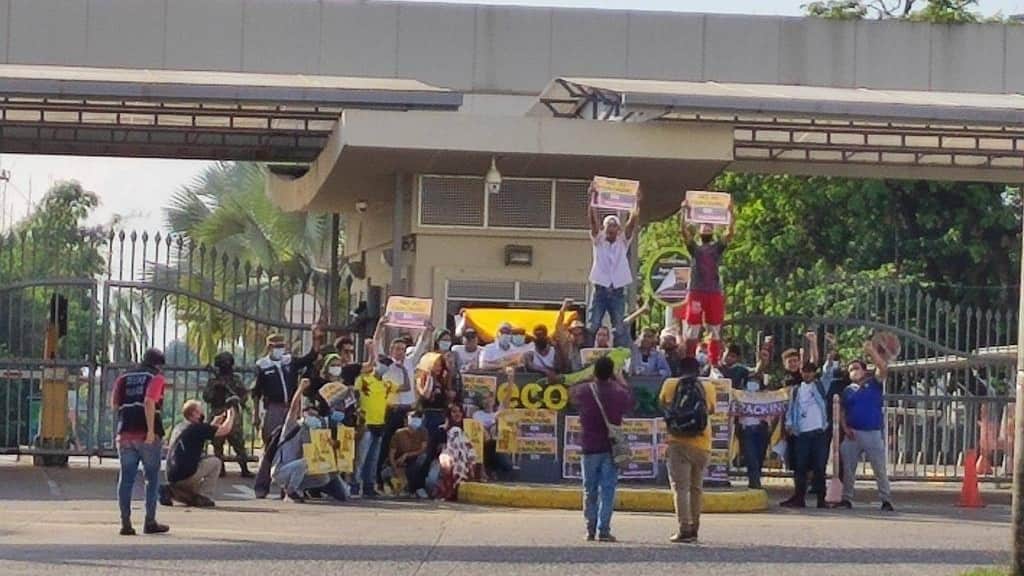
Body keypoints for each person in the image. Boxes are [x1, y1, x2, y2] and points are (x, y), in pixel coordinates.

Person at [252, 327, 322, 499]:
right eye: (276, 346)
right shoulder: (262, 365)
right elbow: (256, 393)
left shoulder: (289, 361)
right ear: (269, 348)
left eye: (282, 346)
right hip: (274, 408)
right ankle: (262, 487)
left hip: (291, 407)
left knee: (293, 444)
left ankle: (288, 488)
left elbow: (310, 357)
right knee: (271, 446)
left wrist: (316, 338)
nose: (280, 349)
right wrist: (255, 414)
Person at [570, 355, 634, 543]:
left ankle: (590, 529)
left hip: (589, 447)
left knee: (589, 489)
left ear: (595, 372)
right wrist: (621, 380)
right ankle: (603, 530)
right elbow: (630, 401)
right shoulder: (619, 393)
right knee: (608, 490)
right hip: (610, 447)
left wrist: (586, 377)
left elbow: (570, 394)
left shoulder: (584, 391)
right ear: (611, 374)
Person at [111, 347, 169, 536]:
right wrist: (151, 430)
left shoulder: (123, 378)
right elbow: (149, 401)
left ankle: (125, 523)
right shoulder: (156, 378)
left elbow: (114, 404)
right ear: (158, 364)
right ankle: (149, 521)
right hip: (147, 435)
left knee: (126, 478)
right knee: (151, 479)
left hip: (126, 433)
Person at [658, 357, 716, 543]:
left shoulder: (670, 384)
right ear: (698, 370)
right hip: (702, 443)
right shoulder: (708, 387)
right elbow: (711, 410)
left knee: (680, 488)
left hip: (678, 442)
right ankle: (695, 528)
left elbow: (663, 405)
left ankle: (684, 528)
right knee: (696, 488)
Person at [374, 316, 431, 490]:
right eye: (397, 348)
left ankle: (408, 482)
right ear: (392, 350)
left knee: (409, 445)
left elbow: (422, 345)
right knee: (386, 445)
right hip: (392, 409)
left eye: (402, 349)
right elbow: (376, 344)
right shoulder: (386, 363)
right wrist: (380, 326)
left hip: (408, 410)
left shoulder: (409, 362)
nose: (400, 351)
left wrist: (427, 329)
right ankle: (379, 478)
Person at [837, 341, 894, 512]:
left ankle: (886, 499)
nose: (853, 372)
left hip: (872, 433)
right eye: (850, 370)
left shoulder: (874, 384)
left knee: (879, 468)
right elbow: (841, 410)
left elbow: (883, 368)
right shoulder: (847, 390)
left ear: (864, 370)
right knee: (848, 469)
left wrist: (871, 352)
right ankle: (846, 498)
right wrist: (845, 428)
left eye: (856, 368)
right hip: (853, 433)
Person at [270, 379, 347, 503]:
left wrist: (332, 447)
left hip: (300, 469)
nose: (312, 414)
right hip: (281, 471)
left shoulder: (316, 432)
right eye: (309, 412)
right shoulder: (293, 425)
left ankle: (298, 489)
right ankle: (291, 491)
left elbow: (323, 456)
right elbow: (293, 408)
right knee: (306, 461)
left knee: (324, 478)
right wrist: (300, 389)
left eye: (315, 412)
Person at [678, 199, 735, 365]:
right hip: (696, 291)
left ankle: (714, 363)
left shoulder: (717, 247)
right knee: (692, 328)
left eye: (710, 226)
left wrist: (731, 212)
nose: (707, 227)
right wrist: (684, 212)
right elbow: (683, 232)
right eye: (704, 225)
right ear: (699, 230)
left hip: (714, 292)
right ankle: (690, 361)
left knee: (715, 329)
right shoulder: (694, 248)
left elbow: (730, 232)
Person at [587, 188, 639, 349]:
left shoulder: (623, 241)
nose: (611, 228)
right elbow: (593, 222)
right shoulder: (599, 240)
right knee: (593, 325)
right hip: (601, 289)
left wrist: (635, 201)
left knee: (620, 327)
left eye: (615, 226)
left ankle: (621, 357)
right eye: (609, 225)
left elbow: (632, 222)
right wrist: (592, 201)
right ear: (604, 228)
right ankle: (587, 352)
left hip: (617, 290)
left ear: (618, 229)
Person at [163, 399, 236, 507]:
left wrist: (216, 422)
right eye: (200, 411)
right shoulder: (197, 428)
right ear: (194, 414)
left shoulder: (179, 427)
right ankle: (204, 496)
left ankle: (172, 491)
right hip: (186, 474)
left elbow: (205, 433)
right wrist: (231, 415)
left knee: (190, 495)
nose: (203, 414)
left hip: (172, 475)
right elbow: (225, 429)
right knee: (215, 462)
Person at [780, 361, 829, 509]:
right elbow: (791, 408)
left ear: (814, 373)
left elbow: (829, 372)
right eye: (805, 371)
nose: (807, 374)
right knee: (800, 467)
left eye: (810, 371)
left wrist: (830, 356)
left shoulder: (820, 387)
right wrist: (789, 424)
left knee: (819, 468)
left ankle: (821, 500)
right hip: (802, 433)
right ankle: (799, 498)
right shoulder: (796, 390)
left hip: (819, 433)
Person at [202, 351, 252, 478]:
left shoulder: (235, 379)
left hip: (232, 411)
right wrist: (216, 388)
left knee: (238, 443)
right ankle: (220, 469)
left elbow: (244, 395)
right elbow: (207, 397)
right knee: (217, 444)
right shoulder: (213, 381)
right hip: (217, 411)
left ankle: (244, 468)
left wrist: (237, 398)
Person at [353, 355, 393, 497]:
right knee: (361, 457)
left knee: (373, 458)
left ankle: (369, 486)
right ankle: (355, 486)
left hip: (379, 424)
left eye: (388, 365)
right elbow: (355, 394)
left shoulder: (387, 384)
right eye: (383, 363)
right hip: (366, 424)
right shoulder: (363, 379)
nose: (384, 367)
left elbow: (406, 387)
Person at [435, 403, 477, 500]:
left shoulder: (467, 428)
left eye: (459, 412)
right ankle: (448, 490)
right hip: (445, 458)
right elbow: (438, 448)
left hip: (464, 457)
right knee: (447, 460)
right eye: (454, 412)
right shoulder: (442, 429)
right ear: (449, 414)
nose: (457, 414)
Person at [389, 411, 430, 499]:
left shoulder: (423, 431)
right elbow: (391, 453)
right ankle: (400, 488)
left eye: (418, 417)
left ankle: (416, 488)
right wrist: (394, 468)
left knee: (421, 460)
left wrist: (406, 455)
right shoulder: (399, 433)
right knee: (386, 473)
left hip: (415, 458)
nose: (416, 419)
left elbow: (422, 449)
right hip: (400, 461)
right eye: (413, 417)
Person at [554, 299, 586, 372]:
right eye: (574, 334)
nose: (577, 336)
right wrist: (563, 308)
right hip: (568, 374)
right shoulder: (566, 343)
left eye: (579, 334)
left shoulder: (587, 345)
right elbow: (558, 326)